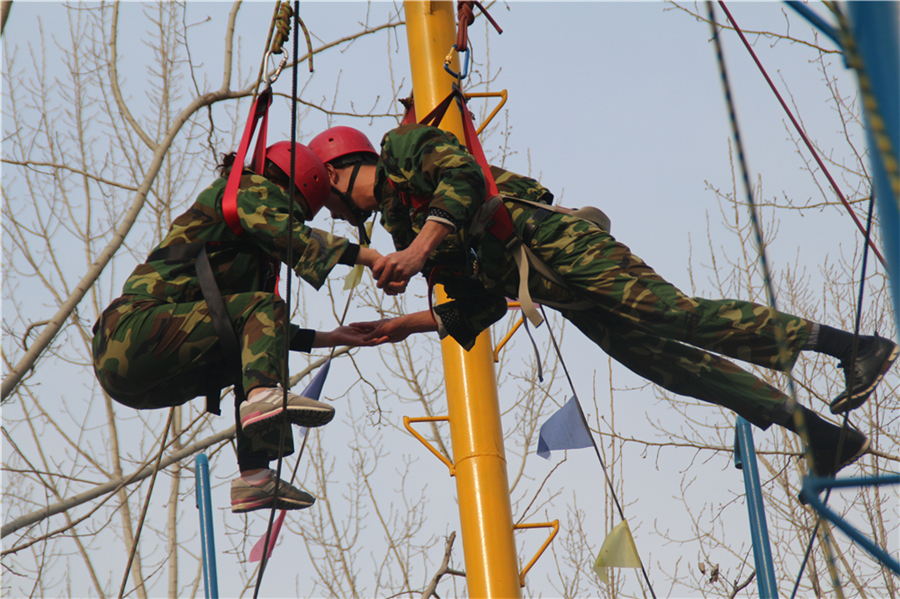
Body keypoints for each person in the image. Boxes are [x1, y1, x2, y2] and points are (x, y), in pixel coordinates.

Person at [308, 123, 898, 478]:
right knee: (674, 368)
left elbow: (462, 180)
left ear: (337, 167)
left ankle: (853, 347)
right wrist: (404, 324)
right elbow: (481, 301)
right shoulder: (400, 229)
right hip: (553, 290)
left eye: (321, 190)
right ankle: (820, 434)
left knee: (676, 314)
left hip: (552, 240)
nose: (327, 207)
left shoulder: (401, 151)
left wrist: (418, 253)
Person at [92, 141, 382, 513]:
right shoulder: (247, 188)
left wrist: (328, 337)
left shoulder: (250, 257)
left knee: (246, 354)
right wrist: (366, 256)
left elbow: (255, 331)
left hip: (139, 375)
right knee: (264, 318)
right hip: (129, 332)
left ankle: (255, 477)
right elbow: (285, 235)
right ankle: (262, 401)